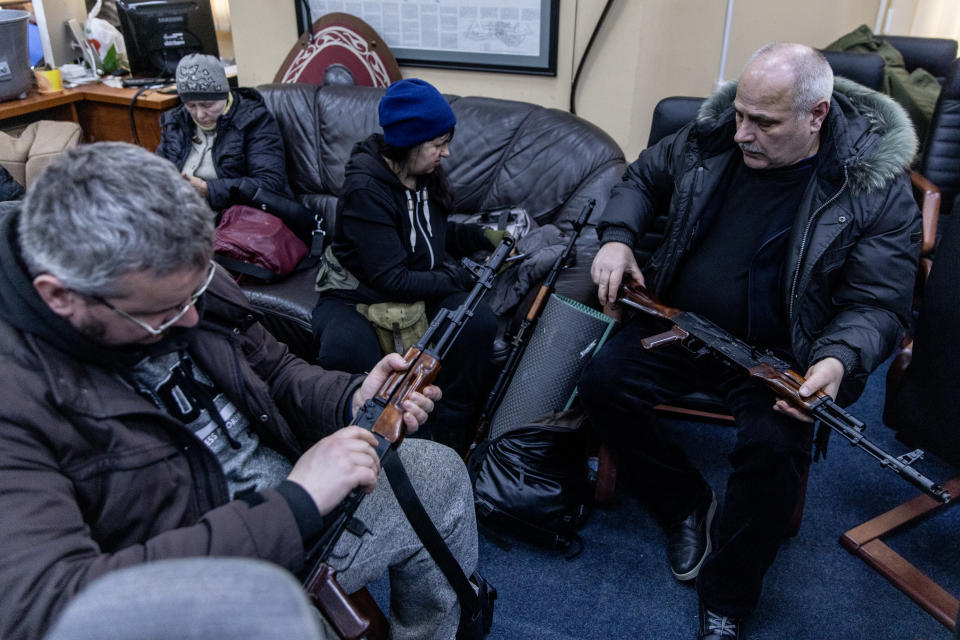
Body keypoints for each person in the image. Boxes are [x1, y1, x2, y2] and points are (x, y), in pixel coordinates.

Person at [0, 142, 478, 640]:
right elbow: (52, 609)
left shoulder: (190, 281)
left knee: (440, 473)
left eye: (198, 290)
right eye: (162, 313)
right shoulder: (16, 394)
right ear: (60, 297)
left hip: (292, 492)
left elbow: (275, 370)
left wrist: (352, 398)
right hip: (190, 581)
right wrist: (295, 506)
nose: (190, 318)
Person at [578, 43, 920, 639]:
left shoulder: (873, 185)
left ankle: (728, 600)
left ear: (817, 115)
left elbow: (879, 303)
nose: (742, 133)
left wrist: (838, 360)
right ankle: (686, 503)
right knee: (601, 382)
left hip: (783, 352)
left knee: (773, 448)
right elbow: (643, 177)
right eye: (740, 113)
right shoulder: (710, 135)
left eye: (763, 122)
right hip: (678, 325)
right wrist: (617, 236)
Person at [312, 78, 504, 454]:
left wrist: (482, 237)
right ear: (408, 143)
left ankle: (452, 441)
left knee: (477, 323)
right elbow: (391, 278)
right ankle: (368, 453)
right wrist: (461, 275)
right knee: (345, 351)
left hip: (412, 281)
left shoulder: (424, 175)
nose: (446, 153)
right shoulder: (366, 189)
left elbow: (432, 234)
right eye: (438, 144)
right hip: (357, 295)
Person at [155, 53, 295, 217]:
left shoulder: (254, 120)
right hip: (182, 214)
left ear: (224, 94)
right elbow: (157, 171)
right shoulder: (176, 122)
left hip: (237, 218)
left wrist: (208, 189)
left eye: (208, 104)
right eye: (190, 105)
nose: (200, 115)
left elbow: (270, 183)